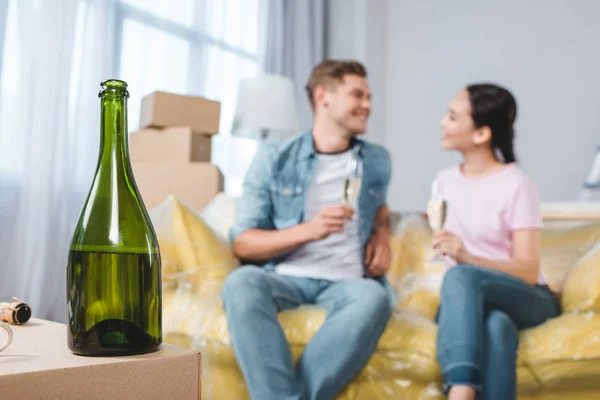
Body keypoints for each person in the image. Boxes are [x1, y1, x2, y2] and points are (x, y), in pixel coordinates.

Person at [222, 60, 395, 400]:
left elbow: (380, 206)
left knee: (375, 297)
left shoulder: (377, 159)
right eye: (357, 95)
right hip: (287, 277)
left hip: (349, 283)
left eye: (369, 96)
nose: (368, 105)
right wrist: (309, 230)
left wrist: (382, 233)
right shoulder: (275, 158)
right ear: (323, 97)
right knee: (241, 282)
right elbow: (243, 243)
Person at [431, 83, 559, 400]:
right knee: (496, 326)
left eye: (452, 117)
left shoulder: (517, 184)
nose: (442, 123)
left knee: (460, 275)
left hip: (527, 296)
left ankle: (460, 391)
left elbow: (528, 272)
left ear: (480, 134)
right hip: (471, 302)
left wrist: (467, 257)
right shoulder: (444, 181)